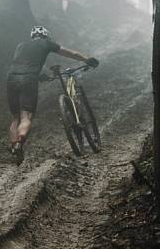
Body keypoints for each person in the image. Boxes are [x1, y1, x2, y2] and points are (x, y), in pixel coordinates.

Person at [7, 25, 99, 163]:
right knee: (26, 116)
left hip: (12, 79)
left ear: (32, 36)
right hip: (29, 79)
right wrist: (87, 59)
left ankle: (14, 146)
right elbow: (70, 53)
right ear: (45, 35)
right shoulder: (46, 43)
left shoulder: (20, 46)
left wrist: (40, 75)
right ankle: (20, 142)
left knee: (15, 118)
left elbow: (22, 62)